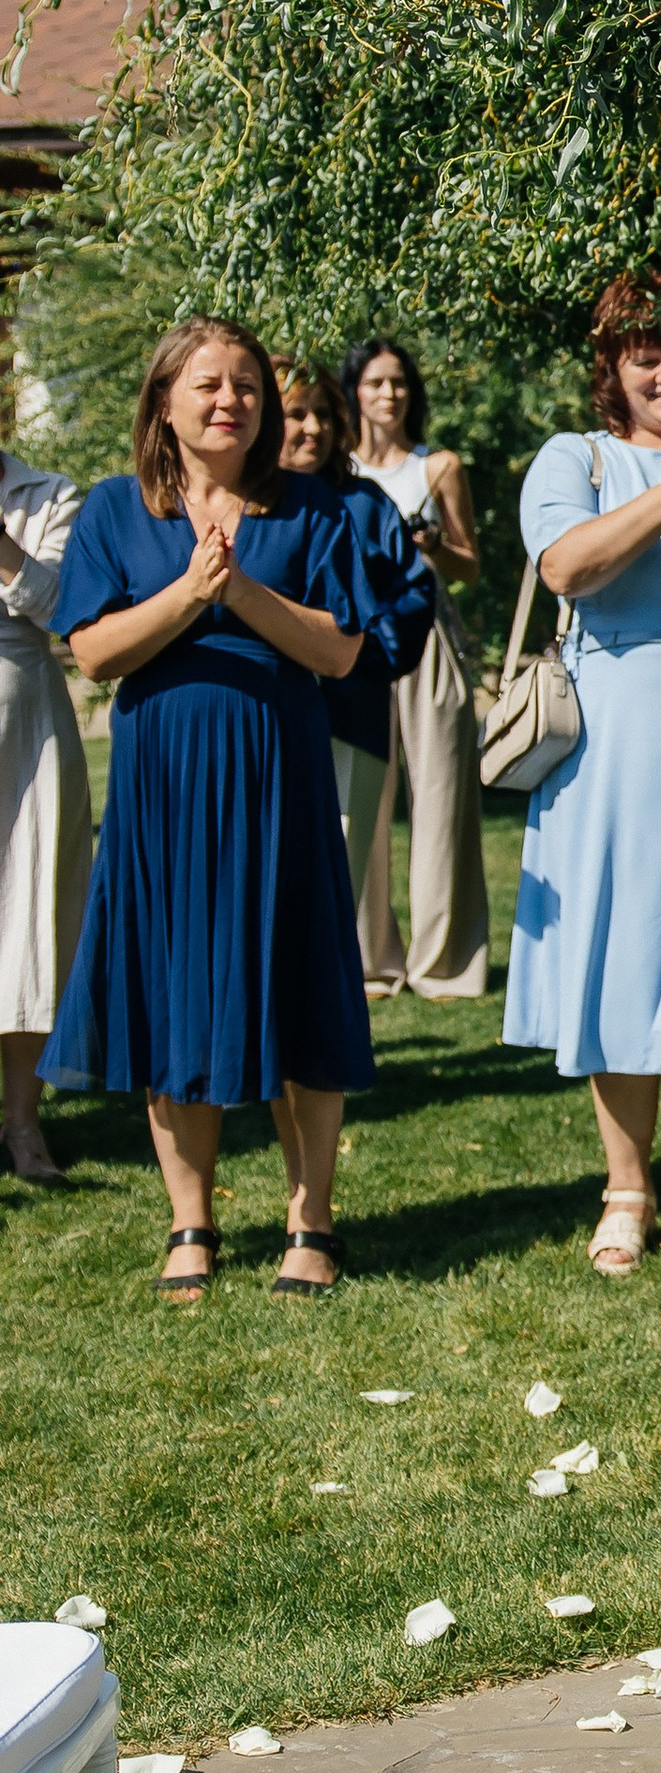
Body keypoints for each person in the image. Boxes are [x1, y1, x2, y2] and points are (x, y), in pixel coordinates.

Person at [41, 321, 372, 1297]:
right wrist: (191, 593)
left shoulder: (310, 507)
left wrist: (241, 593)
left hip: (280, 781)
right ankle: (191, 1220)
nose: (232, 401)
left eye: (248, 388)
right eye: (209, 385)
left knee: (298, 978)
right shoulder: (113, 510)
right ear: (164, 402)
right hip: (164, 793)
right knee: (173, 989)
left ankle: (311, 1222)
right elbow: (93, 651)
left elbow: (339, 650)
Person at [505, 274, 661, 1273]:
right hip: (611, 744)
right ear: (612, 369)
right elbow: (566, 568)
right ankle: (626, 1189)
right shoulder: (578, 458)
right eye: (644, 355)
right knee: (623, 945)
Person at [344, 337, 490, 1000]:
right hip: (356, 639)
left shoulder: (439, 468)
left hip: (427, 636)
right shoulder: (335, 469)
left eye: (398, 382)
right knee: (360, 802)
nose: (388, 394)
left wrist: (434, 546)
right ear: (355, 391)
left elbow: (470, 564)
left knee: (440, 800)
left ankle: (442, 964)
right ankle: (371, 959)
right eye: (375, 382)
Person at [279, 364, 437, 896]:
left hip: (352, 714)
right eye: (295, 414)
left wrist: (350, 654)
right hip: (262, 716)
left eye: (324, 413)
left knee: (336, 884)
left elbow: (412, 598)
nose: (313, 428)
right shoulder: (237, 505)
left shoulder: (365, 505)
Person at [0, 448, 93, 1184]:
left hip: (25, 733)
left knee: (28, 919)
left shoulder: (51, 493)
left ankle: (24, 1125)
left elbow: (61, 605)